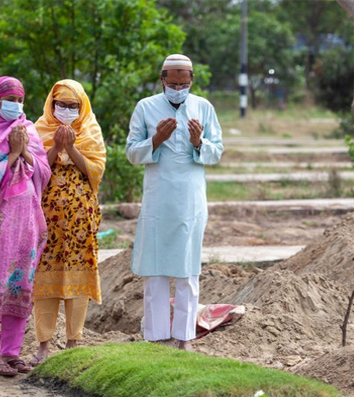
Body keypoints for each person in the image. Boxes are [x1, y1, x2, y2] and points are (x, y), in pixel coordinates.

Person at [126, 54, 224, 351]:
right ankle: (157, 338)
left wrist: (198, 143)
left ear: (192, 81)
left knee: (188, 269)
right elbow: (131, 153)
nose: (179, 88)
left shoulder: (203, 107)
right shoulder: (145, 107)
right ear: (162, 80)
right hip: (158, 197)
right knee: (155, 270)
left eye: (185, 83)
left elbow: (217, 152)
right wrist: (155, 140)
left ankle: (184, 338)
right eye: (174, 83)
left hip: (191, 199)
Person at [0, 76, 51, 376]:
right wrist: (13, 153)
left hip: (26, 219)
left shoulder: (27, 129)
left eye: (19, 99)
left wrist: (24, 151)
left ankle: (12, 352)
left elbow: (43, 170)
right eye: (9, 100)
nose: (15, 105)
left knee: (20, 282)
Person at [30, 79, 106, 366]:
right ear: (52, 104)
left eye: (72, 106)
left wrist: (71, 149)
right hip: (46, 217)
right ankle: (43, 346)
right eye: (60, 105)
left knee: (77, 276)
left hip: (80, 219)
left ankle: (74, 342)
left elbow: (95, 172)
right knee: (45, 278)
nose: (66, 110)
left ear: (81, 106)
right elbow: (35, 170)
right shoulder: (39, 129)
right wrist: (56, 147)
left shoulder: (90, 130)